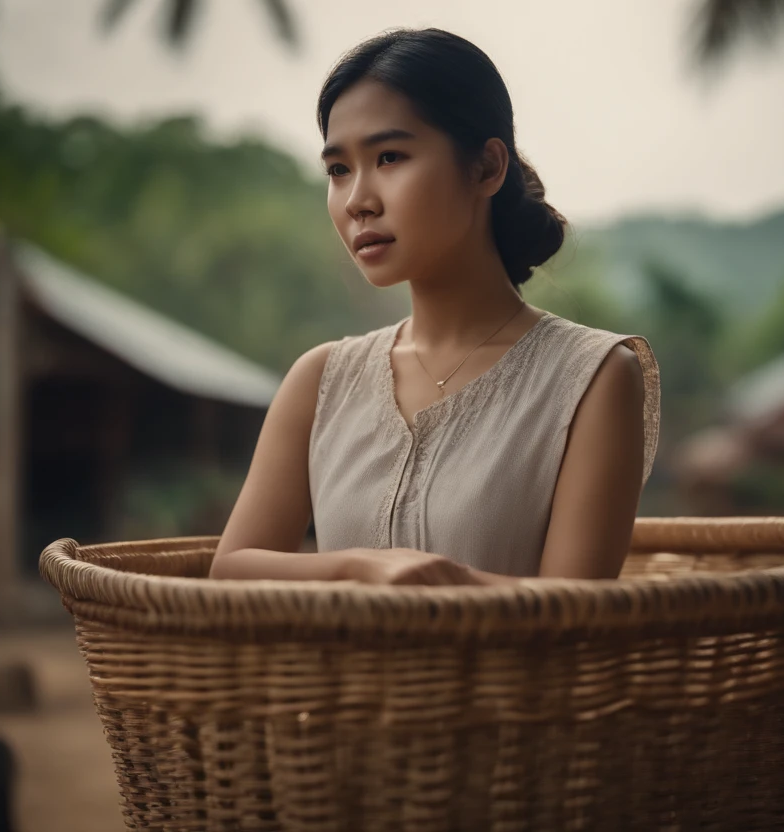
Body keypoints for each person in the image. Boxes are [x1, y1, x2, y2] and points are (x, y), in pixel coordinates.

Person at [209, 28, 660, 586]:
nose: (358, 201)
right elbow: (231, 572)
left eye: (390, 156)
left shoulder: (592, 377)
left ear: (487, 168)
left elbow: (579, 613)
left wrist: (438, 582)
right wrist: (362, 566)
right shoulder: (323, 379)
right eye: (338, 169)